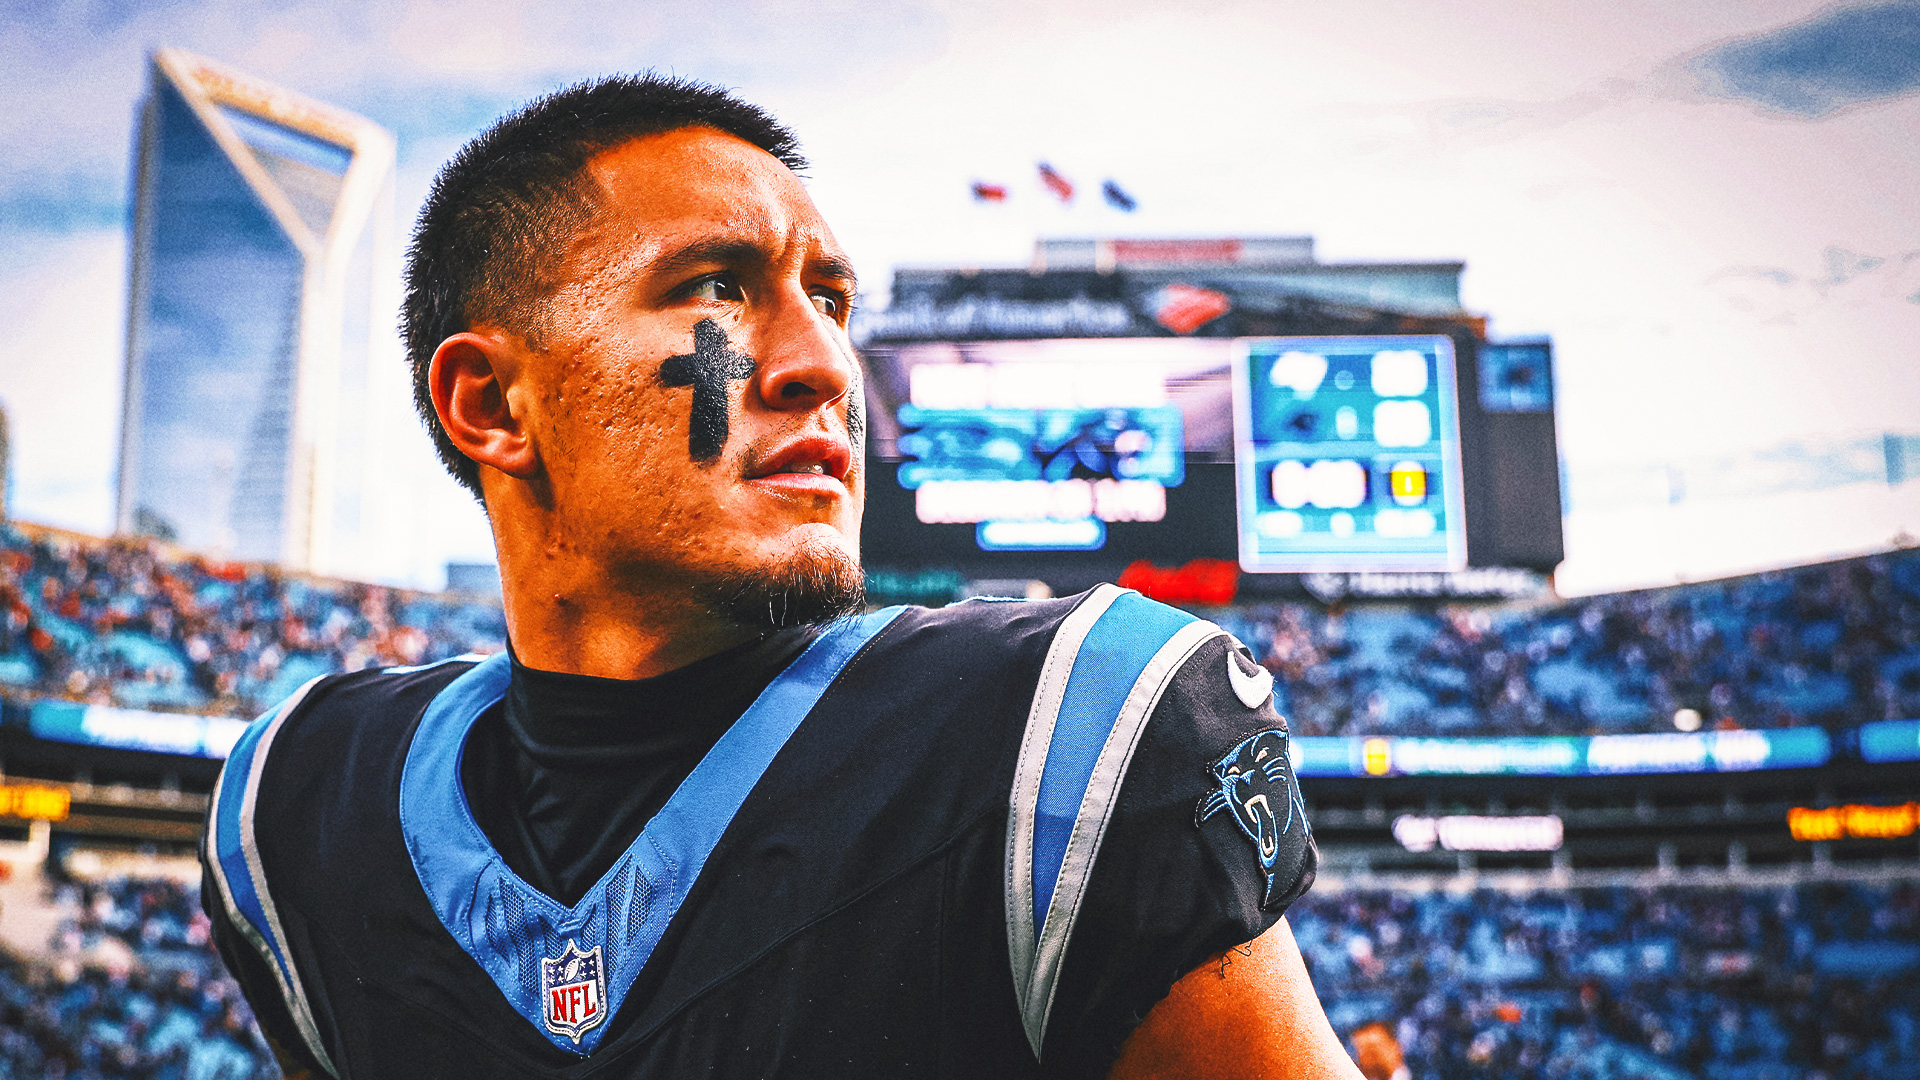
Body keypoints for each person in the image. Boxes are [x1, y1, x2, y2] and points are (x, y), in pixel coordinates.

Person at [200, 74, 1359, 1080]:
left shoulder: (1068, 725)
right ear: (494, 403)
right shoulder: (297, 806)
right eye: (716, 288)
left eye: (831, 301)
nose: (827, 365)